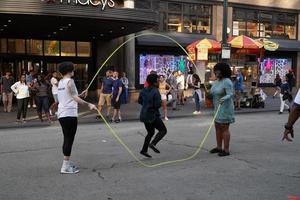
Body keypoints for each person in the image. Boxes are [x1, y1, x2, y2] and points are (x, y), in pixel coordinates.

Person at [57, 62, 97, 174]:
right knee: (69, 140)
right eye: (73, 69)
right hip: (70, 114)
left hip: (62, 114)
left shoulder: (61, 82)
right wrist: (89, 104)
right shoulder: (70, 81)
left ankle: (66, 164)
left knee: (66, 138)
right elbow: (74, 98)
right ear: (69, 71)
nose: (74, 70)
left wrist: (80, 95)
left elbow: (70, 96)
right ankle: (65, 167)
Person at [138, 74, 167, 158]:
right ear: (154, 82)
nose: (159, 81)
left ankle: (144, 150)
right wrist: (161, 103)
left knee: (150, 132)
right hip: (152, 115)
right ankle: (153, 143)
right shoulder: (155, 91)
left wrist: (146, 104)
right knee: (163, 130)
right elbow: (157, 105)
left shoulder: (143, 90)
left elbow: (140, 101)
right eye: (158, 80)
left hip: (144, 115)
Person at [209, 63, 235, 157]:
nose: (216, 72)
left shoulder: (227, 81)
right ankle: (219, 147)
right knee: (217, 127)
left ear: (223, 71)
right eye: (215, 70)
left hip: (225, 108)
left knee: (224, 128)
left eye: (218, 70)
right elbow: (212, 91)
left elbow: (231, 94)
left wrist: (224, 98)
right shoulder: (216, 81)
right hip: (217, 107)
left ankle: (226, 150)